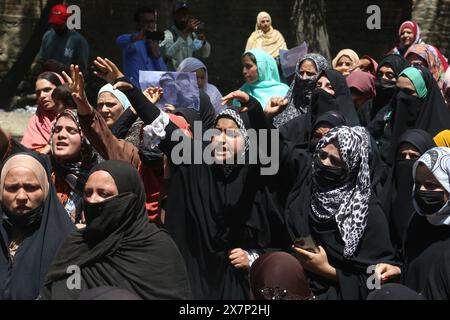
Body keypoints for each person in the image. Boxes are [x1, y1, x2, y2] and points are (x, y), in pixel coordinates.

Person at [40, 160, 191, 300]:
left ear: (130, 200)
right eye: (88, 193)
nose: (93, 201)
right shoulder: (74, 246)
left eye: (104, 194)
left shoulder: (158, 249)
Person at [281, 126, 399, 299]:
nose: (324, 163)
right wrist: (256, 112)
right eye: (322, 155)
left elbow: (379, 283)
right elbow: (270, 154)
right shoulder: (309, 184)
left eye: (335, 161)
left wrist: (328, 271)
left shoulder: (367, 213)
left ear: (352, 167)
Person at [0, 152, 74, 299]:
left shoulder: (68, 242)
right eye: (12, 188)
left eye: (31, 187)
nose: (21, 196)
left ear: (46, 189)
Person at [403, 147, 450, 298]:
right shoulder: (417, 220)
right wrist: (398, 271)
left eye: (431, 185)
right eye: (418, 183)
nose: (422, 190)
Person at [379, 129, 436, 252]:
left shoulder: (435, 206)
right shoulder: (384, 202)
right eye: (402, 156)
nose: (406, 160)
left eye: (414, 156)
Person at [116, 7, 167, 88]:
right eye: (146, 22)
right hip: (135, 91)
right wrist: (137, 37)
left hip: (152, 93)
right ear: (138, 24)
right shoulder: (132, 42)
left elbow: (164, 73)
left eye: (152, 22)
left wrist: (157, 56)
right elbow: (119, 40)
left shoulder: (155, 43)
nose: (150, 25)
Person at [272, 53, 328, 128]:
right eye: (301, 73)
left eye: (310, 74)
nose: (304, 78)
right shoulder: (286, 105)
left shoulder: (326, 107)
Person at [37, 4, 89, 73]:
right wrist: (42, 65)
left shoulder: (79, 42)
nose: (55, 27)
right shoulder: (47, 36)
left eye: (58, 24)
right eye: (53, 23)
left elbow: (82, 72)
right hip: (48, 80)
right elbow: (41, 60)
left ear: (67, 21)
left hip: (68, 82)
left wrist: (61, 68)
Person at [160, 1, 211, 71]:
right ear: (174, 16)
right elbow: (168, 55)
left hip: (187, 78)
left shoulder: (191, 35)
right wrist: (185, 33)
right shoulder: (167, 34)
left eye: (184, 14)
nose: (182, 18)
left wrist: (203, 42)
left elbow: (204, 54)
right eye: (179, 14)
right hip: (172, 78)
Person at [21, 72, 64, 153]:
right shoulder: (36, 121)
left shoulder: (75, 116)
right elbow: (27, 152)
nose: (42, 96)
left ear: (60, 89)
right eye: (38, 93)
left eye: (47, 90)